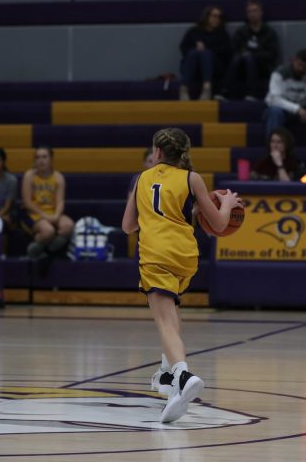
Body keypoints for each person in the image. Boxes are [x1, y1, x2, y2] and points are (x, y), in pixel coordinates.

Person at [122, 127, 242, 423]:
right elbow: (218, 223)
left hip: (156, 255)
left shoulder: (142, 179)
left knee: (163, 320)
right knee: (171, 311)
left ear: (158, 152)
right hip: (185, 256)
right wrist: (223, 204)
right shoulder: (192, 178)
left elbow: (127, 226)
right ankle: (167, 377)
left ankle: (181, 374)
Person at [217, 0, 279, 101]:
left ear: (261, 13)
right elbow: (233, 49)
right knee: (237, 57)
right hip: (241, 65)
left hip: (262, 67)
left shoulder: (269, 32)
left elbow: (272, 54)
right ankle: (224, 91)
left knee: (250, 57)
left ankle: (251, 93)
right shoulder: (241, 31)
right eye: (249, 11)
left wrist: (254, 54)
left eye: (255, 11)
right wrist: (243, 53)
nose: (252, 14)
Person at [21, 146, 74, 259]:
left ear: (51, 159)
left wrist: (56, 215)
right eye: (38, 157)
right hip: (33, 213)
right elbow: (27, 203)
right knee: (48, 231)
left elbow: (60, 202)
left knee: (68, 226)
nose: (41, 160)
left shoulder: (58, 177)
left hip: (51, 212)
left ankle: (45, 250)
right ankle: (33, 250)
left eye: (44, 157)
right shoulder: (29, 175)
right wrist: (45, 216)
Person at [179, 6, 231, 100]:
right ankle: (184, 89)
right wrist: (197, 49)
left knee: (205, 53)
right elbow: (183, 48)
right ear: (207, 16)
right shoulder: (194, 31)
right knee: (193, 53)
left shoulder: (222, 35)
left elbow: (225, 53)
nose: (217, 19)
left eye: (219, 17)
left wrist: (206, 50)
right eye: (214, 16)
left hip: (214, 68)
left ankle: (207, 89)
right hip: (193, 66)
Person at [263, 49, 306, 140]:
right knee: (275, 112)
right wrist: (297, 109)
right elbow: (275, 99)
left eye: (305, 67)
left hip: (300, 110)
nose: (301, 69)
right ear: (294, 61)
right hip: (280, 110)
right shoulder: (280, 73)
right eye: (299, 65)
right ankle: (273, 149)